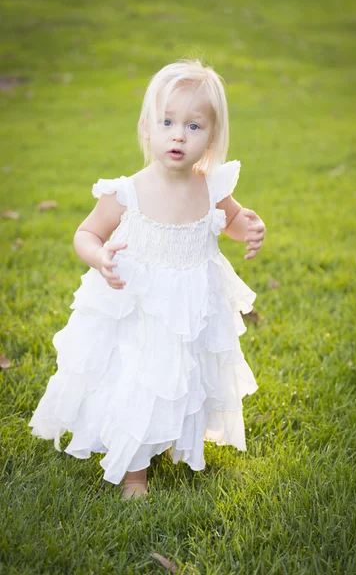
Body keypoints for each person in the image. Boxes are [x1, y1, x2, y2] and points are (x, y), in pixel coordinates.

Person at [28, 58, 266, 500]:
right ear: (147, 128)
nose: (178, 134)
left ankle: (175, 437)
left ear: (211, 137)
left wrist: (249, 228)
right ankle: (133, 473)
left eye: (194, 126)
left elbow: (231, 221)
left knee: (184, 375)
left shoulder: (213, 187)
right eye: (168, 122)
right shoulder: (127, 192)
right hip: (139, 304)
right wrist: (100, 257)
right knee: (139, 377)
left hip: (192, 304)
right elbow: (85, 233)